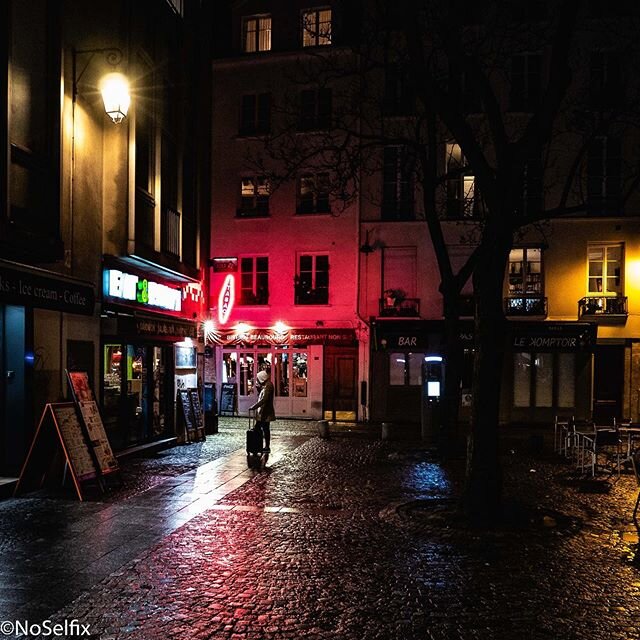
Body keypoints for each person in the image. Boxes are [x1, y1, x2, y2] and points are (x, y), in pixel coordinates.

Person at [249, 370, 276, 452]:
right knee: (262, 428)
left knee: (263, 428)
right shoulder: (266, 385)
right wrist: (259, 389)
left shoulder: (268, 386)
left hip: (265, 412)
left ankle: (262, 446)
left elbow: (264, 399)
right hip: (263, 412)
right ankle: (259, 445)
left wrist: (254, 406)